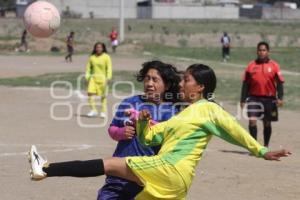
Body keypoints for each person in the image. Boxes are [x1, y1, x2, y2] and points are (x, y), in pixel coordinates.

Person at [28, 64, 291, 200]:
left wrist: (261, 150)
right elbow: (150, 137)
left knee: (108, 165)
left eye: (187, 79)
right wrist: (143, 122)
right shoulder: (183, 114)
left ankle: (46, 169)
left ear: (200, 87)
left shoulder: (209, 109)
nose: (182, 82)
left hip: (169, 169)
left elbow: (234, 131)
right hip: (175, 182)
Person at [98, 60, 181, 200]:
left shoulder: (170, 113)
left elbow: (170, 145)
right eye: (147, 78)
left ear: (166, 85)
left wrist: (146, 124)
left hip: (146, 179)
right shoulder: (130, 102)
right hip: (118, 176)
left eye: (155, 80)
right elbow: (112, 129)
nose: (149, 84)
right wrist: (120, 133)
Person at [240, 41, 284, 147]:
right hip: (253, 98)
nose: (261, 52)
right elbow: (245, 83)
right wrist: (242, 99)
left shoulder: (274, 66)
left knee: (267, 123)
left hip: (269, 99)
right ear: (257, 51)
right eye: (259, 50)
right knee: (252, 121)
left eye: (264, 50)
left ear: (268, 52)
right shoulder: (251, 66)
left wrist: (280, 98)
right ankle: (255, 147)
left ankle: (265, 145)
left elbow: (280, 82)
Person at [85, 42, 112, 118]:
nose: (98, 49)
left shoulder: (106, 57)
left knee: (103, 96)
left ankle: (103, 111)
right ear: (95, 48)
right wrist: (87, 77)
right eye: (97, 47)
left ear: (103, 48)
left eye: (100, 47)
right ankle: (93, 110)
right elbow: (88, 69)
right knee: (90, 93)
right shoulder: (92, 57)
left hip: (103, 79)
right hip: (93, 79)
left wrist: (108, 77)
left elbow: (109, 68)